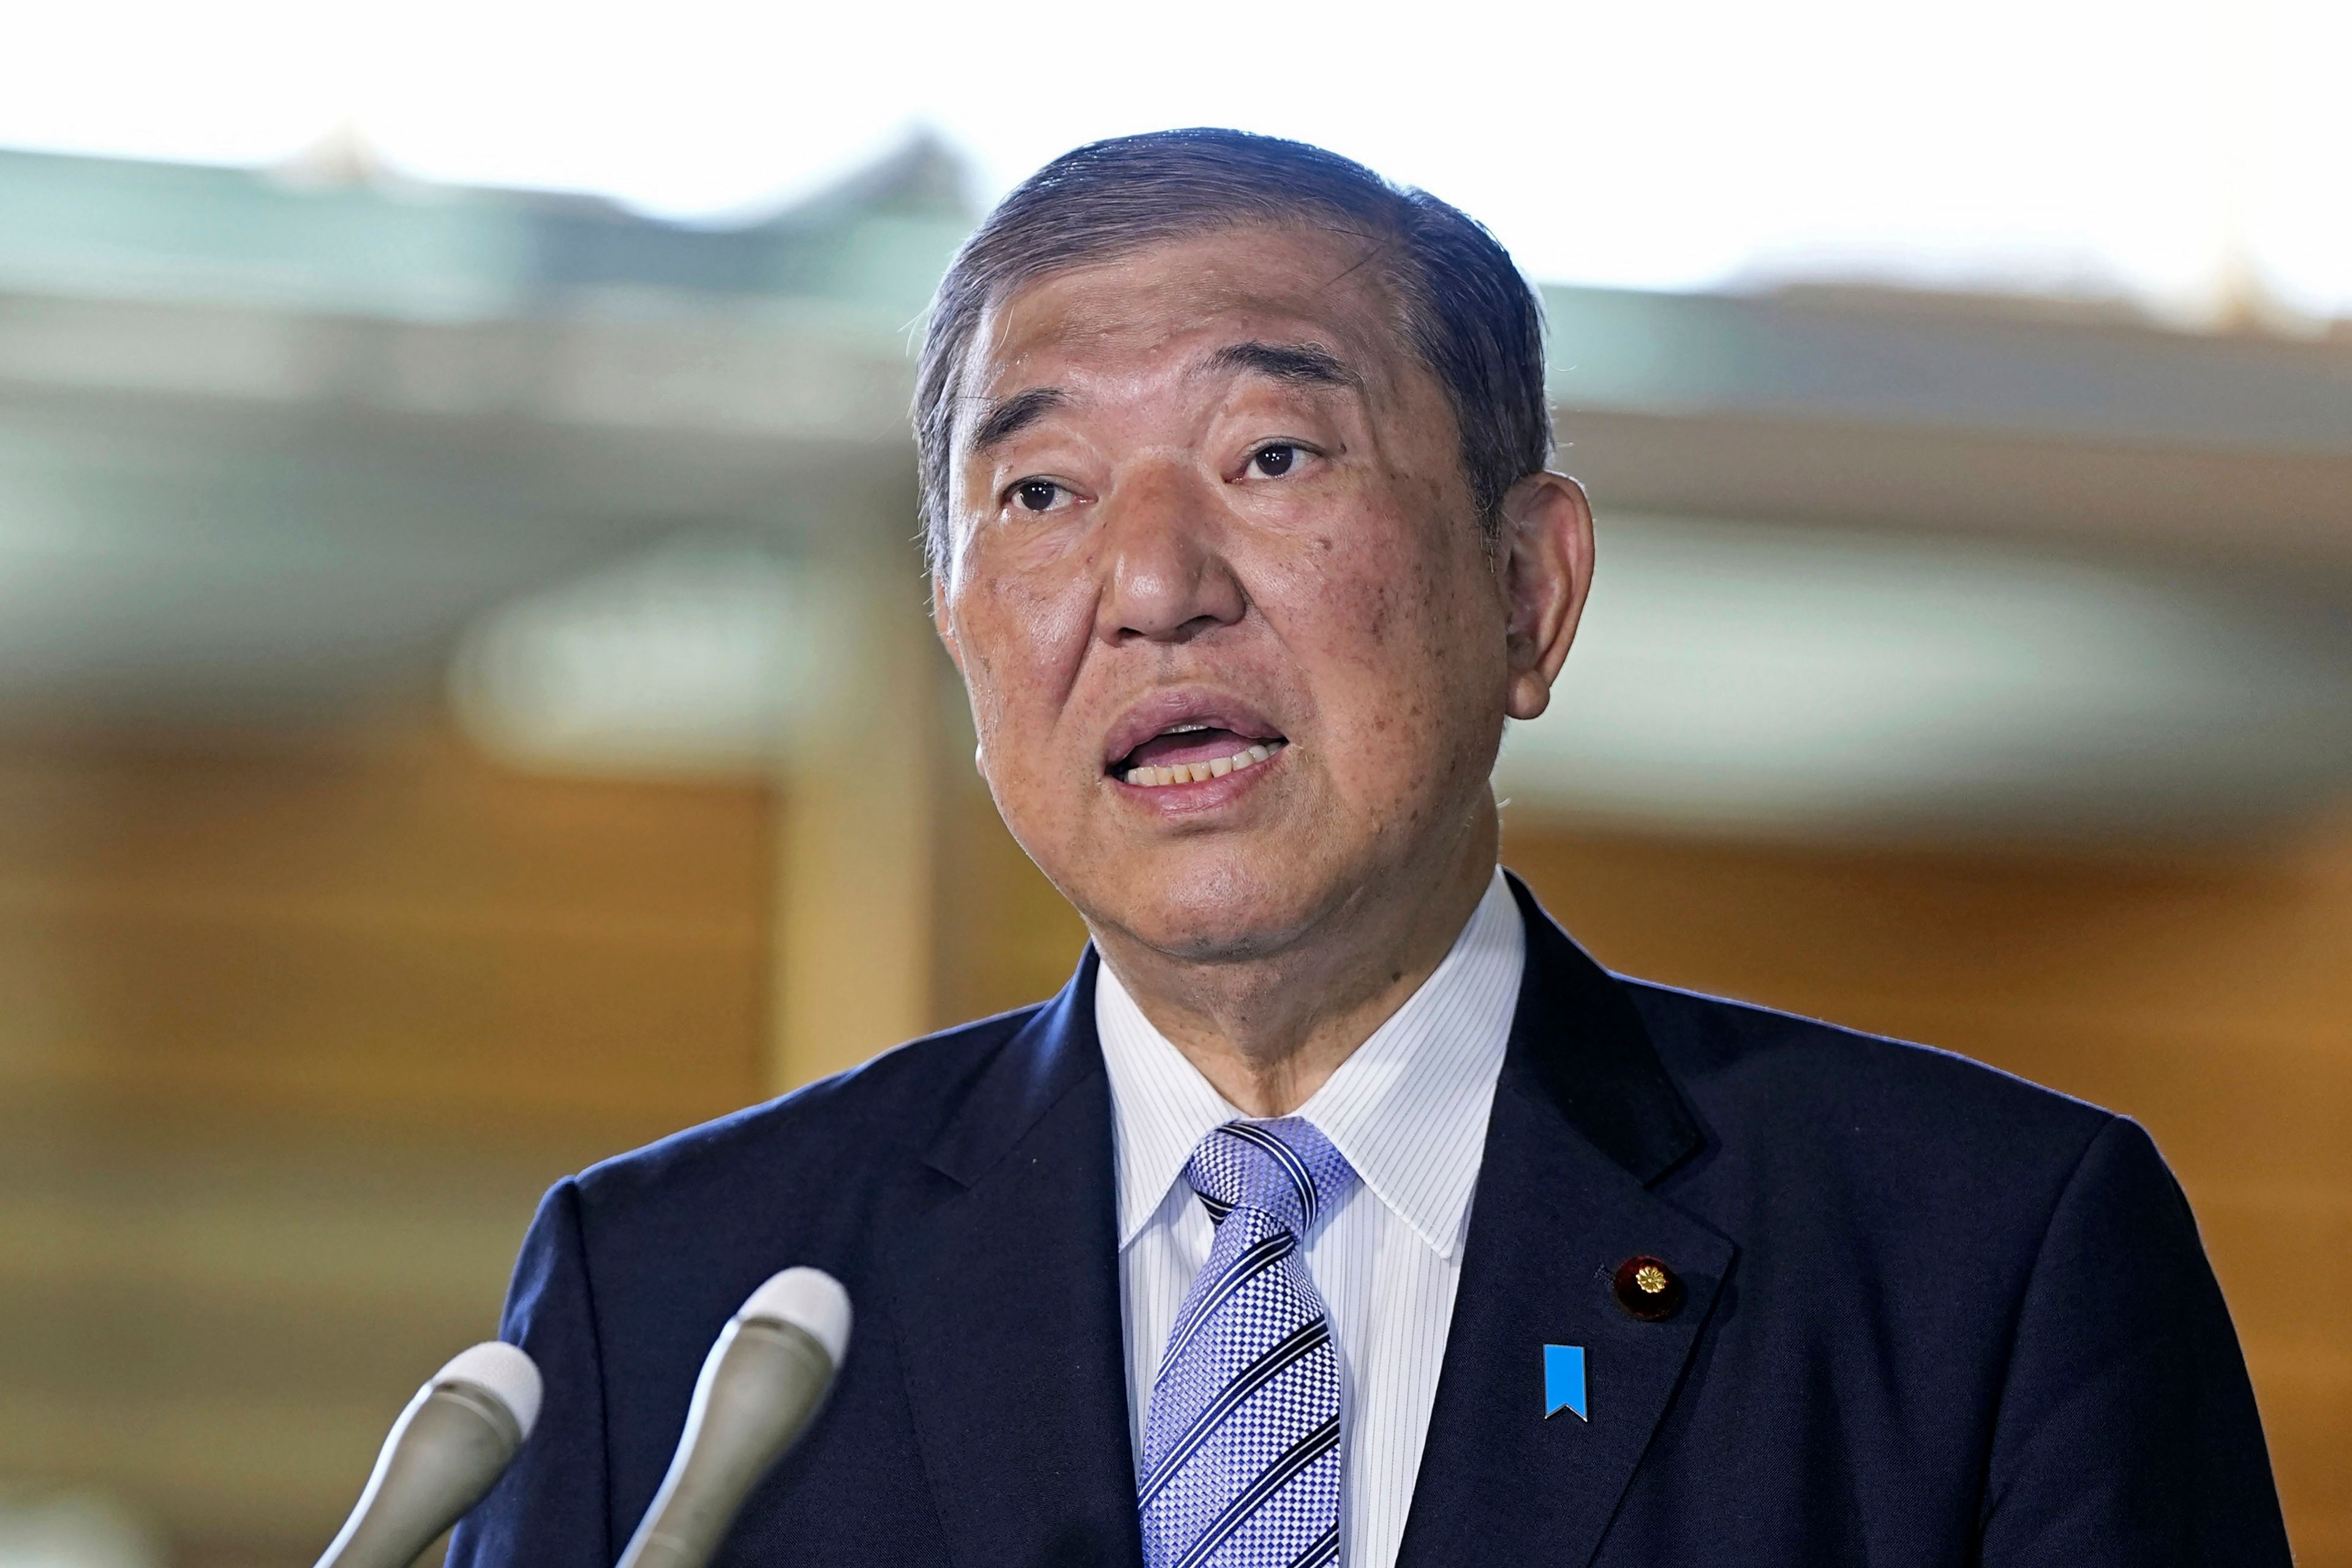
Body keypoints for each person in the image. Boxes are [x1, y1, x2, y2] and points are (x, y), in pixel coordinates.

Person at [448, 129, 2290, 1567]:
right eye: (1042, 493)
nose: (1153, 588)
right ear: (958, 627)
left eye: (1274, 459)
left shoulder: (1978, 1261)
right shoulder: (686, 1296)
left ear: (1526, 589)